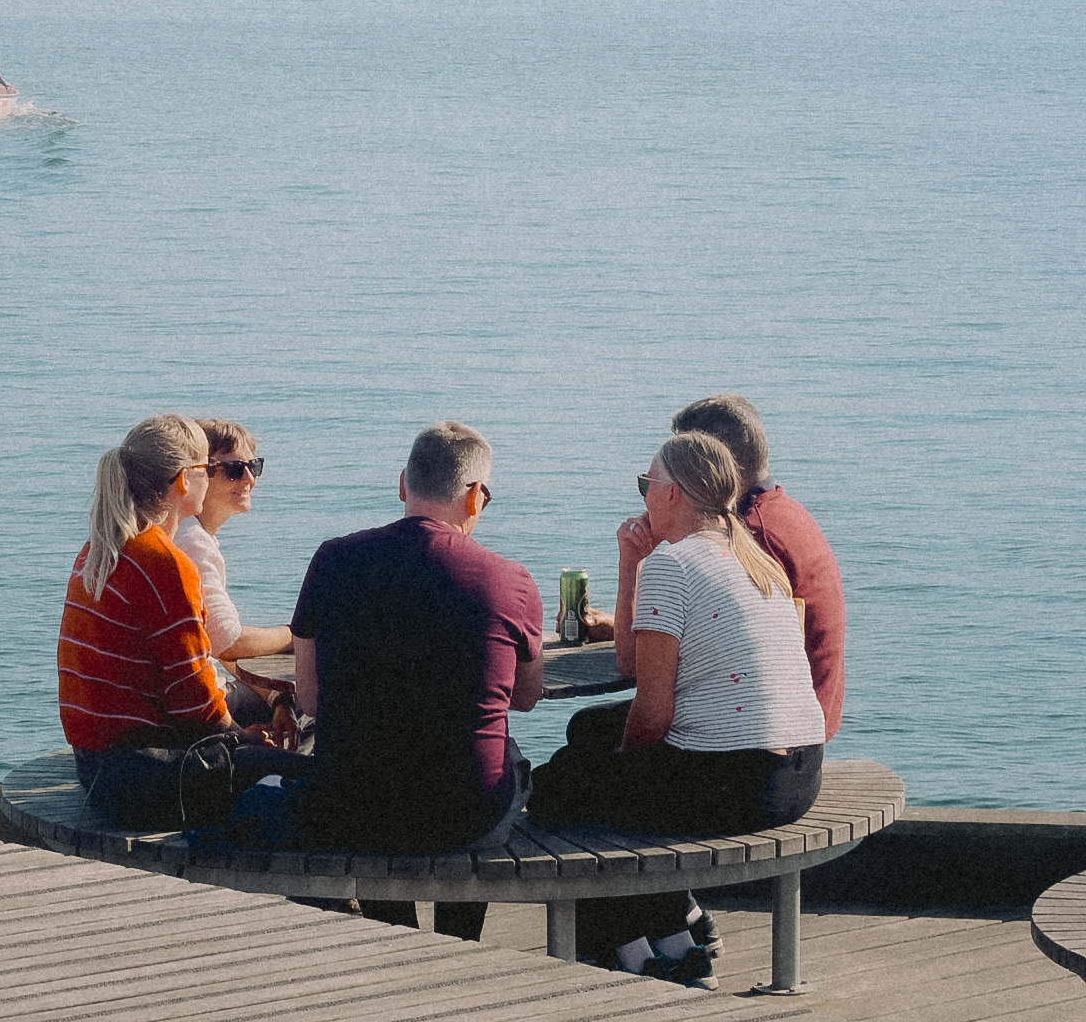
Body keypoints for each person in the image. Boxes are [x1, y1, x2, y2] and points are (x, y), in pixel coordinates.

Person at [526, 432, 826, 987]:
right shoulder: (752, 556)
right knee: (586, 733)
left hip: (738, 781)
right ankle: (678, 932)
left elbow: (652, 713)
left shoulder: (676, 564)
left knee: (556, 791)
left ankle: (641, 955)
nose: (642, 497)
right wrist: (628, 564)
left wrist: (613, 767)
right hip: (799, 772)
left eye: (647, 485)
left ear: (672, 496)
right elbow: (631, 664)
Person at [227, 421, 541, 944]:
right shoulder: (511, 579)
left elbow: (312, 700)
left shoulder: (333, 559)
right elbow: (525, 698)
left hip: (351, 808)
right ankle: (458, 945)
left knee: (367, 768)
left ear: (402, 484)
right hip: (464, 812)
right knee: (503, 756)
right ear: (473, 496)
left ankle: (396, 934)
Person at [57, 414, 298, 828]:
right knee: (303, 772)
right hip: (146, 778)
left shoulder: (100, 548)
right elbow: (194, 701)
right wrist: (243, 740)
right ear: (185, 480)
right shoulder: (164, 564)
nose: (210, 477)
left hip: (96, 768)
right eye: (206, 468)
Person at [671, 392, 845, 740]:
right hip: (803, 719)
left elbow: (695, 647)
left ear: (713, 466)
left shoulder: (752, 536)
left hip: (774, 732)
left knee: (596, 739)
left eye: (682, 462)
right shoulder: (782, 511)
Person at [174, 420, 292, 729]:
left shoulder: (192, 533)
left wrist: (276, 698)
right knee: (312, 703)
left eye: (254, 466)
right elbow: (229, 641)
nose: (250, 478)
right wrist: (296, 635)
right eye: (235, 470)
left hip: (183, 700)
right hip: (189, 711)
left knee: (288, 702)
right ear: (198, 474)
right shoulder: (190, 541)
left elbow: (213, 639)